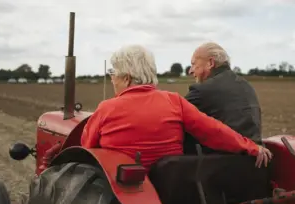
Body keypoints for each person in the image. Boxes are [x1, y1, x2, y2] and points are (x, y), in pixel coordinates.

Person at [80, 44, 272, 171]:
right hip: (171, 187)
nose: (111, 78)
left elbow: (87, 149)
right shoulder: (174, 101)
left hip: (123, 191)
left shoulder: (106, 108)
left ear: (127, 78)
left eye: (113, 73)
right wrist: (251, 146)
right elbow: (213, 130)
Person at [184, 42, 266, 156]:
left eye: (194, 64)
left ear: (210, 63)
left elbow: (176, 115)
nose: (190, 71)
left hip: (223, 164)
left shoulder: (203, 90)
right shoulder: (246, 85)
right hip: (255, 161)